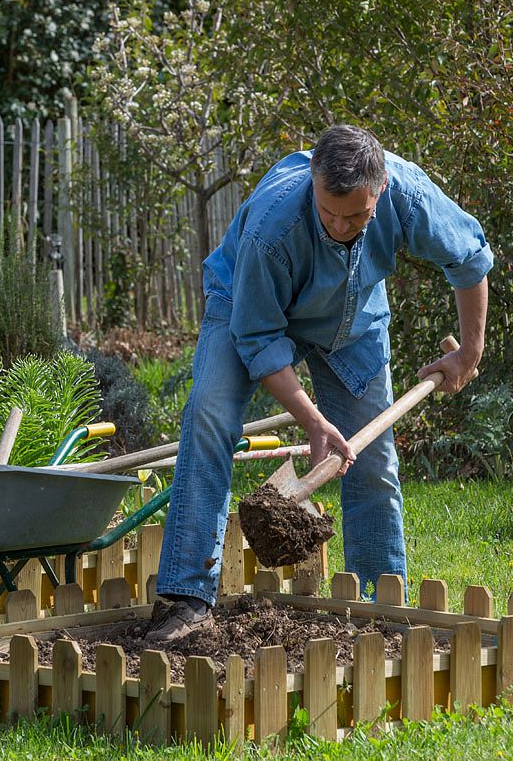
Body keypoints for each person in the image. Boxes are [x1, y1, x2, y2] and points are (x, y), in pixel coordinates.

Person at [146, 124, 492, 642]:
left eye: (356, 216)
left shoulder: (409, 195)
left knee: (373, 460)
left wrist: (470, 350)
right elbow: (258, 337)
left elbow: (468, 256)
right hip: (245, 305)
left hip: (352, 322)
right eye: (327, 211)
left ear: (380, 192)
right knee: (209, 416)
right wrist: (313, 421)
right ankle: (187, 598)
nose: (338, 226)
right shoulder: (272, 228)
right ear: (313, 181)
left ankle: (382, 603)